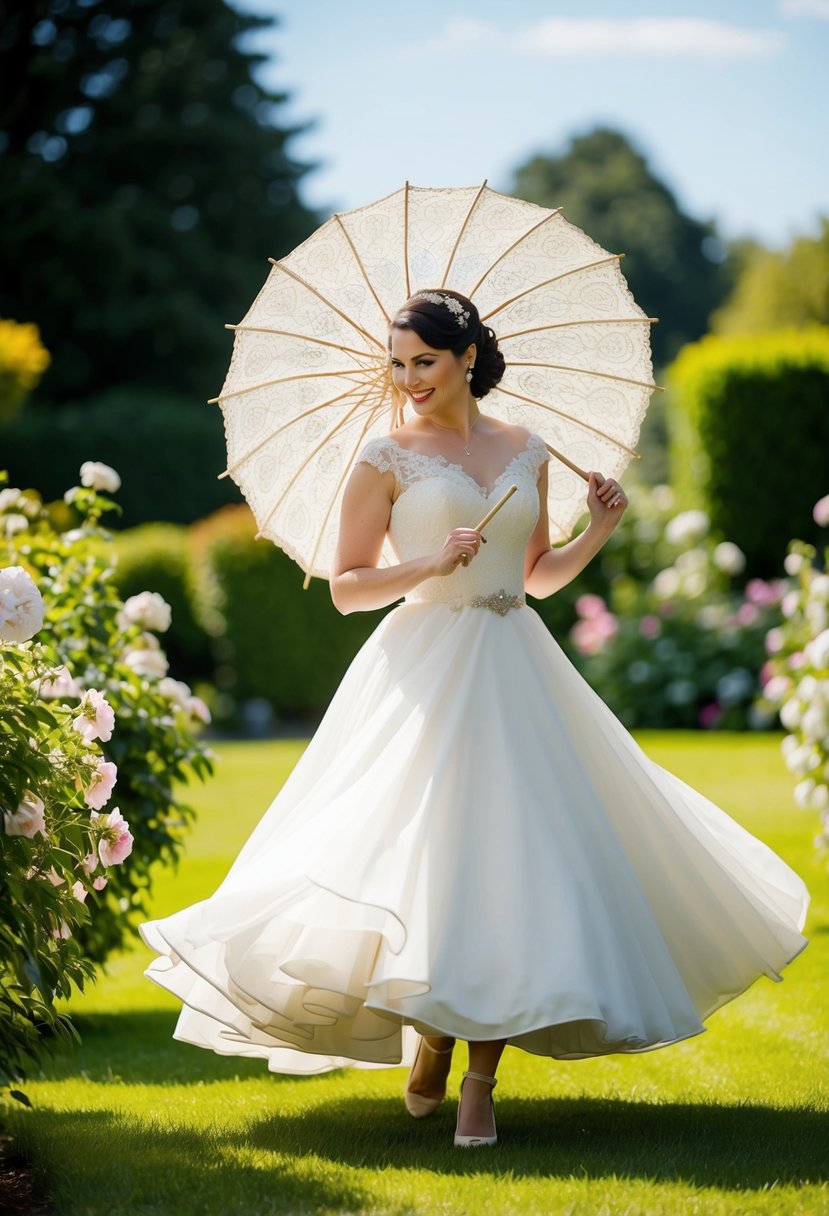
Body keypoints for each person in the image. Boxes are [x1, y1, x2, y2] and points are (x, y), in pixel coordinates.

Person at [140, 289, 809, 1150]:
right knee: (434, 860)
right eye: (398, 362)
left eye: (423, 360)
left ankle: (478, 1081)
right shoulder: (382, 457)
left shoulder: (527, 451)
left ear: (466, 358)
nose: (408, 378)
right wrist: (428, 558)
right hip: (421, 669)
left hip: (514, 663)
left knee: (510, 861)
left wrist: (596, 530)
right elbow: (346, 587)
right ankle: (429, 1045)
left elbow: (534, 578)